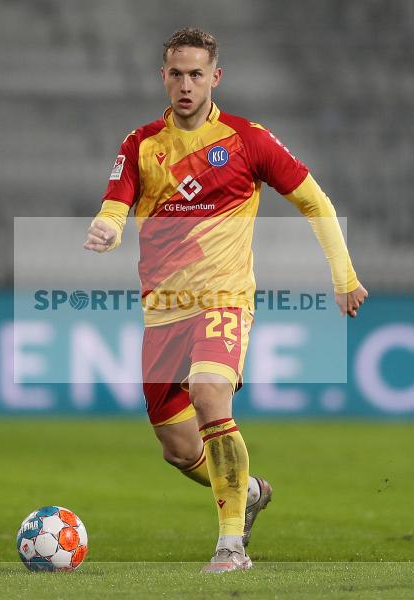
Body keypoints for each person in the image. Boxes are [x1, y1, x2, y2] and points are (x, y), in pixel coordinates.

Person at [84, 28, 367, 572]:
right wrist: (108, 228)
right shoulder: (141, 144)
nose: (185, 84)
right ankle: (252, 492)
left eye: (196, 74)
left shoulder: (247, 140)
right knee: (178, 447)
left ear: (216, 77)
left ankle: (230, 545)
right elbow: (115, 202)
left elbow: (315, 201)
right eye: (176, 74)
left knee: (212, 397)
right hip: (164, 309)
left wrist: (344, 274)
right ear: (162, 77)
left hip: (223, 298)